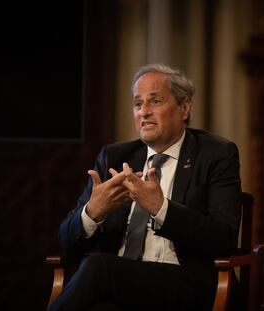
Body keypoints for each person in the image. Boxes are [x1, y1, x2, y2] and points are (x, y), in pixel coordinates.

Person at [49, 64, 242, 311]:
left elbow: (223, 236)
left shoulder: (216, 154)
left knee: (99, 267)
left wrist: (161, 209)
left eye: (155, 101)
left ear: (184, 108)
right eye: (138, 104)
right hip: (120, 284)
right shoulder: (114, 157)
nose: (144, 112)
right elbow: (67, 241)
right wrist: (92, 213)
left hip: (185, 282)